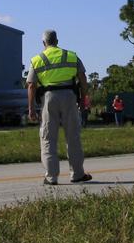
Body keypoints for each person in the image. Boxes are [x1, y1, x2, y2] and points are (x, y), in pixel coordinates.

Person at [27, 29, 93, 185]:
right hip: (70, 97)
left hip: (48, 98)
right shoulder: (71, 56)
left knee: (48, 138)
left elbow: (31, 85)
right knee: (73, 137)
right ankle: (77, 174)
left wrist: (31, 109)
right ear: (57, 41)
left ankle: (51, 177)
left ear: (44, 43)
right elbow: (82, 77)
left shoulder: (37, 60)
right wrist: (84, 99)